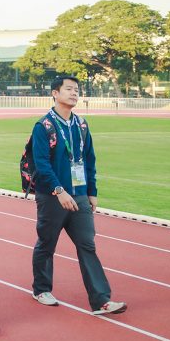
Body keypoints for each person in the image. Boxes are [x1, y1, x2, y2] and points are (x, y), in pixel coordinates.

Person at [31, 76, 127, 315]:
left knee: (87, 245)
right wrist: (59, 190)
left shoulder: (82, 125)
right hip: (53, 197)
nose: (74, 93)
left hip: (80, 195)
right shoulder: (44, 126)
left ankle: (101, 300)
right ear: (55, 93)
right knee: (47, 244)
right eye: (69, 89)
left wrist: (92, 191)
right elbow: (41, 165)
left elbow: (89, 160)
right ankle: (41, 289)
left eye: (76, 90)